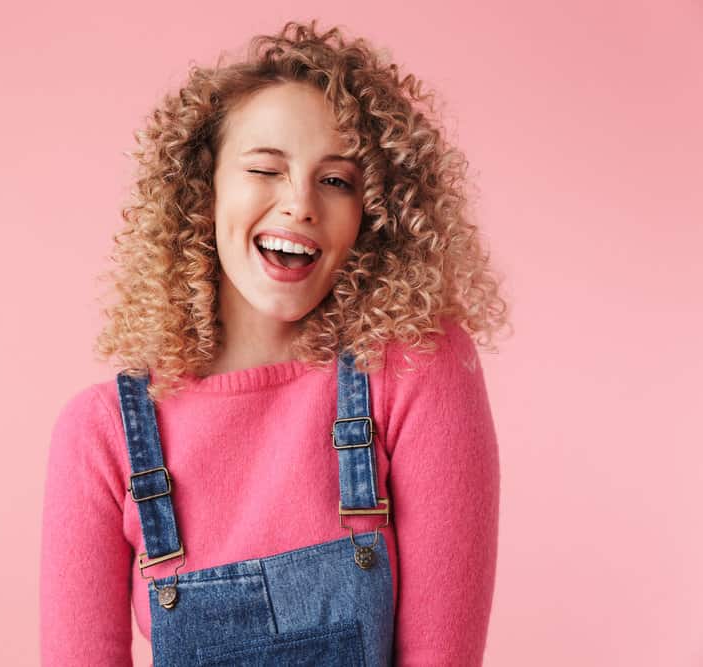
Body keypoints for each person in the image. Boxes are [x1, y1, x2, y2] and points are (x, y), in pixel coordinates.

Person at [40, 19, 510, 666]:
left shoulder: (413, 368)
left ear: (371, 214)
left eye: (337, 180)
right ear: (201, 193)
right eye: (266, 169)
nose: (300, 204)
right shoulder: (103, 435)